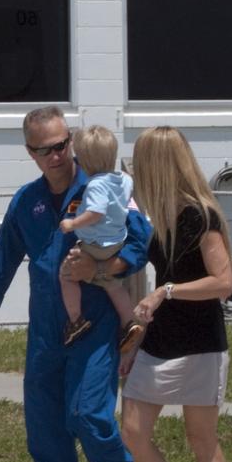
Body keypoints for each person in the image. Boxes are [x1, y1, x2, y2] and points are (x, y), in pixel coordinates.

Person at [0, 107, 152, 462]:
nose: (57, 155)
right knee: (45, 430)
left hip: (94, 326)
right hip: (47, 331)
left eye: (62, 144)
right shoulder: (27, 201)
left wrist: (104, 266)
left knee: (89, 416)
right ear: (30, 152)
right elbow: (3, 257)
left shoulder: (102, 185)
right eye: (45, 149)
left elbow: (142, 242)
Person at [121, 126, 232, 462]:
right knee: (132, 428)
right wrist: (135, 342)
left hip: (200, 341)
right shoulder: (160, 218)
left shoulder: (200, 215)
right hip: (160, 339)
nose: (136, 169)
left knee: (201, 439)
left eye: (141, 161)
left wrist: (166, 291)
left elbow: (223, 283)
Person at [58, 125, 144, 353]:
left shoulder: (95, 185)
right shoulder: (124, 179)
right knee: (112, 284)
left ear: (85, 162)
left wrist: (72, 224)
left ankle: (75, 320)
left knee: (66, 274)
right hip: (116, 242)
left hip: (94, 244)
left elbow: (95, 213)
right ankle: (129, 322)